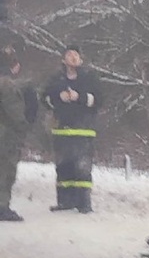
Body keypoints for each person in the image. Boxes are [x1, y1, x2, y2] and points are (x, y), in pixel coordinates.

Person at [42, 45, 99, 213]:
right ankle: (64, 201)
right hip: (61, 130)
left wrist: (79, 97)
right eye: (69, 54)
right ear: (63, 60)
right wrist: (58, 98)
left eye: (76, 54)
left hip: (83, 130)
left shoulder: (89, 78)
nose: (73, 57)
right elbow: (44, 98)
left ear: (81, 59)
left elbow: (99, 99)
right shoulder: (56, 80)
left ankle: (84, 203)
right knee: (63, 166)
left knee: (82, 168)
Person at [0, 41, 37, 222]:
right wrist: (25, 127)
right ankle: (2, 207)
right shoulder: (7, 85)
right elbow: (15, 114)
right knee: (5, 171)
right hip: (5, 137)